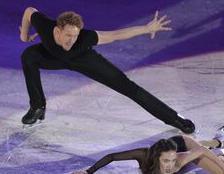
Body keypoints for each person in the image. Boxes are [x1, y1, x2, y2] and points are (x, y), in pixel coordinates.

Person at [19, 7, 195, 134]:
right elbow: (29, 12)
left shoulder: (85, 38)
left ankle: (174, 118)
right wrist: (23, 35)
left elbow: (115, 35)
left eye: (75, 36)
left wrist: (146, 29)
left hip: (84, 60)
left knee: (128, 87)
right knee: (29, 56)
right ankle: (38, 107)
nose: (72, 40)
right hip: (52, 57)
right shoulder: (45, 25)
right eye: (68, 35)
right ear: (57, 31)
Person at [70, 126, 224, 174]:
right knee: (200, 153)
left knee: (221, 172)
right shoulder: (144, 156)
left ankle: (220, 141)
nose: (170, 165)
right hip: (172, 146)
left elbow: (202, 152)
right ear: (156, 158)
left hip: (184, 143)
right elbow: (112, 156)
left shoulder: (180, 158)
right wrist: (88, 172)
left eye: (173, 160)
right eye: (166, 161)